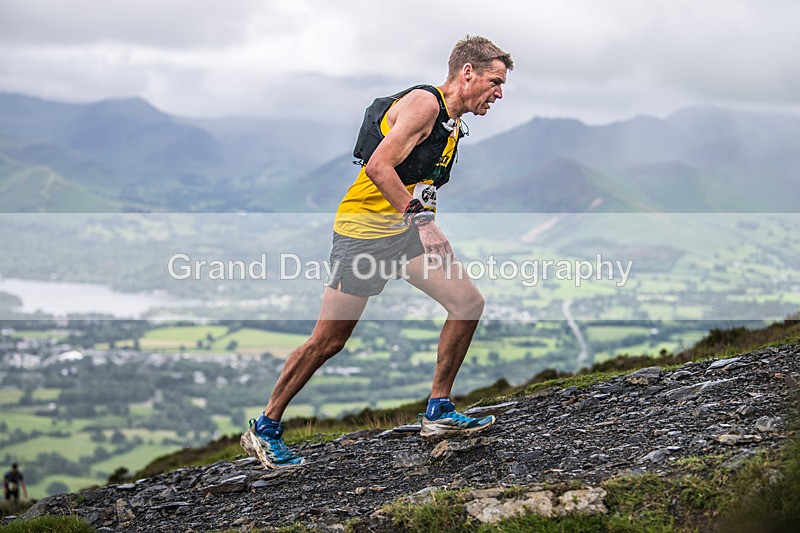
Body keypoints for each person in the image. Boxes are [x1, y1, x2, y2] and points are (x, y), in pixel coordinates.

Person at [241, 35, 513, 468]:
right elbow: (377, 166)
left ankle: (438, 410)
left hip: (401, 229)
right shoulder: (425, 104)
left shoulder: (453, 125)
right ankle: (266, 425)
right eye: (495, 81)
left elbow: (415, 182)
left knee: (467, 302)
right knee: (329, 340)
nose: (500, 93)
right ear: (468, 73)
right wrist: (422, 222)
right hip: (364, 232)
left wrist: (417, 220)